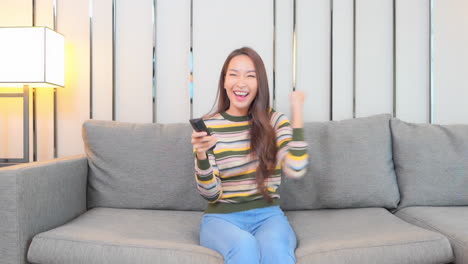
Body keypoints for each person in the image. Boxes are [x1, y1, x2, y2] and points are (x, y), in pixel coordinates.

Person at [191, 47, 308, 264]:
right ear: (224, 81)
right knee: (245, 247)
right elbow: (211, 195)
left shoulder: (275, 121)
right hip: (220, 218)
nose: (241, 82)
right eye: (233, 74)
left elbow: (297, 166)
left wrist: (297, 110)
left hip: (268, 216)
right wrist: (201, 155)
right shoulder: (208, 127)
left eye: (250, 75)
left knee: (276, 250)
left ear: (259, 83)